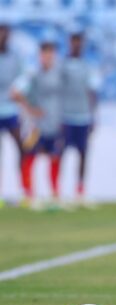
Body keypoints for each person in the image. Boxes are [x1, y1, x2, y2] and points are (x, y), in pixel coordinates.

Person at [11, 41, 64, 208]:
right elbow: (15, 93)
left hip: (54, 125)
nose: (48, 58)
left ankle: (55, 195)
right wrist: (30, 109)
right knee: (30, 157)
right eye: (45, 54)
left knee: (55, 158)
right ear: (40, 56)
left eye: (51, 54)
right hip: (36, 127)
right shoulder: (32, 74)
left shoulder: (58, 75)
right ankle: (29, 195)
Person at [61, 32, 101, 206]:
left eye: (80, 43)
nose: (77, 46)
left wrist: (93, 117)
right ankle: (58, 192)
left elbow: (93, 93)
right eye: (74, 42)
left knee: (83, 154)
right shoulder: (62, 66)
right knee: (60, 154)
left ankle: (80, 191)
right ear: (70, 43)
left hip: (83, 117)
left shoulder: (87, 67)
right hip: (65, 117)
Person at [0, 24, 24, 207]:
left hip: (11, 111)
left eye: (5, 33)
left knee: (21, 148)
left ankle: (22, 189)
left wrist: (18, 91)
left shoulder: (15, 57)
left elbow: (23, 80)